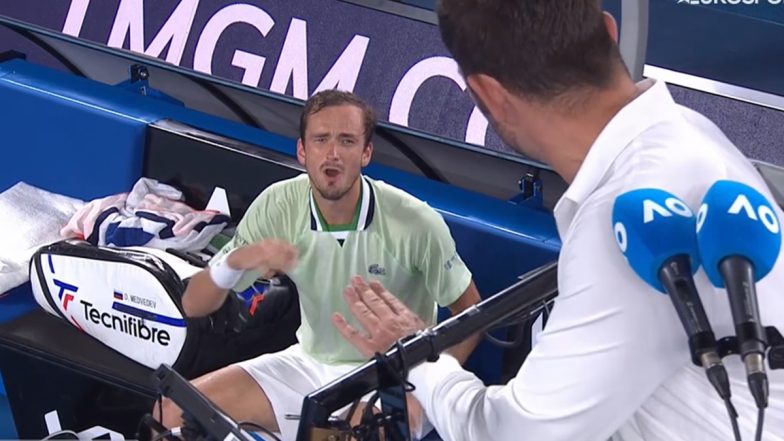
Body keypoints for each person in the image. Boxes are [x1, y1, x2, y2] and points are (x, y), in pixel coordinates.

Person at [332, 1, 784, 440]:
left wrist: (417, 353)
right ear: (609, 32)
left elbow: (511, 435)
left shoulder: (618, 223)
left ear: (489, 96)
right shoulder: (690, 131)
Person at [155, 89, 482, 440]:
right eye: (321, 139)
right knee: (169, 411)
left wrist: (426, 386)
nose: (333, 154)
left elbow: (472, 315)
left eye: (347, 141)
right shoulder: (278, 205)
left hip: (394, 374)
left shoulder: (414, 222)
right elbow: (193, 303)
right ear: (302, 150)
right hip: (308, 363)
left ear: (365, 152)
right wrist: (237, 260)